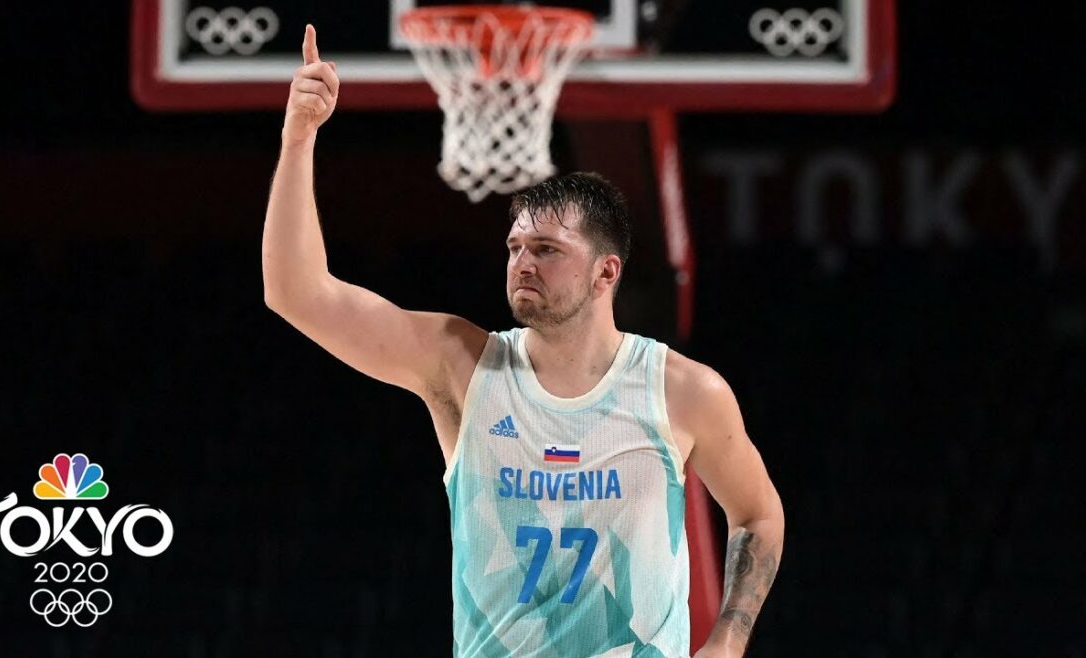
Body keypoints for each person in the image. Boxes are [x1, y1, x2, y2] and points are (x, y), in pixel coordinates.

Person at [262, 24, 785, 658]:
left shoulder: (683, 390)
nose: (521, 263)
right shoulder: (461, 364)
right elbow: (296, 293)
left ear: (606, 273)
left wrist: (729, 639)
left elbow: (758, 515)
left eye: (545, 249)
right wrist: (298, 139)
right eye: (514, 247)